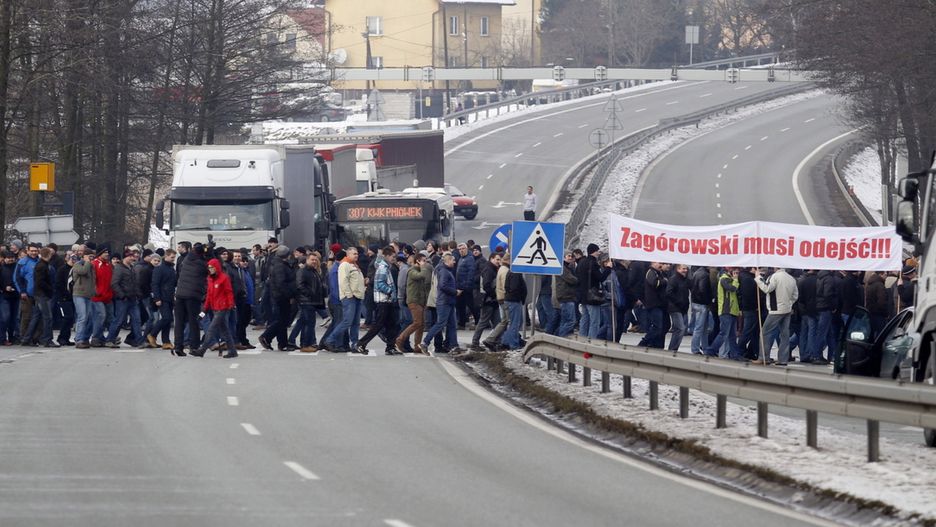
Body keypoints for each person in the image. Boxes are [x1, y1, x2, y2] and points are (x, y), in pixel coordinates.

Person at [190, 258, 238, 358]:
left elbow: (229, 292)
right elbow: (209, 296)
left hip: (222, 307)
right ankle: (232, 351)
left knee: (211, 329)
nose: (210, 269)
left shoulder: (224, 278)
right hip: (214, 307)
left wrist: (231, 304)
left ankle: (202, 350)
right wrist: (203, 311)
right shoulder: (210, 279)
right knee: (225, 330)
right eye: (209, 267)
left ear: (216, 267)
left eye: (212, 267)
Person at [357, 246, 400, 355]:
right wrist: (390, 291)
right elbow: (380, 284)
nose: (394, 258)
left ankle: (390, 347)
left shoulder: (385, 266)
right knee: (378, 325)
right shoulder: (383, 268)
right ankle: (361, 344)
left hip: (387, 300)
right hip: (383, 300)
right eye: (392, 256)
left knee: (391, 325)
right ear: (387, 256)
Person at [755, 268, 798, 366]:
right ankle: (783, 359)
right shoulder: (791, 278)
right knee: (784, 335)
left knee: (765, 333)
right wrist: (789, 303)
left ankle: (763, 357)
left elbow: (767, 289)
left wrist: (758, 278)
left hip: (775, 309)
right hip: (787, 309)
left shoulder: (774, 277)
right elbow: (795, 295)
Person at [326, 247, 365, 353]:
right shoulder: (344, 265)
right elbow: (343, 281)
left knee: (355, 323)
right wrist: (349, 295)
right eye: (354, 254)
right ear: (348, 255)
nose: (356, 255)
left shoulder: (354, 265)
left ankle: (354, 344)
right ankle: (330, 340)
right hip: (350, 298)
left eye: (357, 253)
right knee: (347, 321)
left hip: (358, 297)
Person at [259, 245, 296, 351]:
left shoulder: (278, 263)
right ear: (287, 255)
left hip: (279, 295)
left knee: (282, 320)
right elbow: (281, 283)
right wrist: (289, 295)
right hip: (281, 296)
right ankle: (267, 336)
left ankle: (282, 343)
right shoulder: (280, 266)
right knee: (282, 320)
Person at [173, 243, 207, 357]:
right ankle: (194, 347)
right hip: (193, 295)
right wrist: (210, 251)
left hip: (180, 294)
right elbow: (212, 266)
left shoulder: (187, 259)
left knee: (179, 322)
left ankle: (178, 346)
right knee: (194, 322)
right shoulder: (202, 263)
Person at [421, 253, 458, 355]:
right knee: (440, 323)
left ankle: (453, 345)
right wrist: (455, 291)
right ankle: (425, 342)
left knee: (452, 325)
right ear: (448, 261)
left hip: (448, 301)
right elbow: (442, 285)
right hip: (444, 302)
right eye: (453, 260)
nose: (454, 262)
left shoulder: (445, 270)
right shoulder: (444, 271)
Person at [106, 250, 144, 348]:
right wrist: (122, 295)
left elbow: (135, 283)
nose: (132, 258)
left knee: (137, 320)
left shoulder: (131, 268)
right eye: (130, 256)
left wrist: (138, 294)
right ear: (125, 257)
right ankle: (110, 339)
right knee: (118, 320)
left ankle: (139, 341)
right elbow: (114, 283)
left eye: (133, 256)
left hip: (133, 298)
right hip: (123, 299)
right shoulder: (119, 268)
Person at [397, 252, 431, 354]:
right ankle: (400, 339)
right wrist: (423, 267)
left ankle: (417, 346)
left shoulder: (420, 270)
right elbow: (420, 276)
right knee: (417, 322)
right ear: (418, 261)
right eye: (423, 261)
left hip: (420, 301)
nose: (425, 263)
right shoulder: (412, 270)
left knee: (421, 324)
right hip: (414, 300)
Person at [707, 267, 742, 360]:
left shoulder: (730, 279)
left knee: (732, 335)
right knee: (724, 333)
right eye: (735, 272)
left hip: (732, 311)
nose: (737, 274)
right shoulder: (724, 279)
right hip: (726, 310)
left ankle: (734, 354)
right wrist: (735, 280)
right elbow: (732, 289)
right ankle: (710, 350)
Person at [25, 247, 56, 347]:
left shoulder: (41, 264)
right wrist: (50, 289)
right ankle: (47, 339)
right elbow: (40, 282)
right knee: (48, 317)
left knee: (36, 316)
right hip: (42, 295)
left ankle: (27, 338)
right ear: (49, 255)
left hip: (39, 294)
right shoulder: (42, 266)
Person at [470, 252, 501, 350]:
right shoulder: (488, 269)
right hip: (488, 300)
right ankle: (475, 343)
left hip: (492, 300)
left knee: (498, 323)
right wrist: (493, 295)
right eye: (497, 259)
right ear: (491, 259)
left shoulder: (493, 268)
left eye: (500, 260)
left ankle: (496, 342)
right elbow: (486, 285)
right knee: (483, 322)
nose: (499, 262)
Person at [148, 249, 176, 350]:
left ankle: (166, 341)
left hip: (170, 297)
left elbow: (173, 283)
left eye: (174, 257)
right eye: (172, 257)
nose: (173, 259)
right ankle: (152, 334)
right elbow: (155, 284)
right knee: (167, 318)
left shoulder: (172, 269)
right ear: (166, 256)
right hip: (162, 297)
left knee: (168, 320)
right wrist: (157, 298)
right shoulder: (159, 269)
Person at [14, 244, 40, 344]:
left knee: (38, 317)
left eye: (35, 251)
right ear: (27, 251)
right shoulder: (22, 262)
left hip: (39, 294)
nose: (34, 253)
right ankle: (24, 337)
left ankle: (35, 338)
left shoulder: (40, 261)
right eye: (32, 251)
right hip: (27, 294)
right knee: (26, 316)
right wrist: (22, 291)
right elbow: (17, 278)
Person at [638, 262, 667, 348]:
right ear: (652, 263)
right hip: (654, 304)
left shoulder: (659, 273)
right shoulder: (651, 272)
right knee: (657, 326)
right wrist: (664, 281)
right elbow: (655, 283)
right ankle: (644, 342)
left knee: (662, 326)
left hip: (660, 304)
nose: (661, 265)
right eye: (659, 263)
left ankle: (656, 344)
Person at [71, 252, 96, 348]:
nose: (91, 258)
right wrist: (87, 261)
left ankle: (84, 338)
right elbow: (83, 271)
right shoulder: (78, 264)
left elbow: (93, 279)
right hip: (79, 294)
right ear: (84, 256)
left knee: (89, 317)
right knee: (82, 317)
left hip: (88, 295)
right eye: (89, 256)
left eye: (92, 256)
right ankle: (79, 340)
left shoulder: (91, 266)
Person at [90, 246, 114, 347]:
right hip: (97, 296)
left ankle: (104, 337)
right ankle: (95, 337)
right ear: (100, 253)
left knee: (109, 318)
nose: (107, 254)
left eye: (108, 252)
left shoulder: (108, 265)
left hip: (108, 295)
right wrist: (95, 291)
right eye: (105, 252)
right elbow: (92, 279)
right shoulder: (94, 264)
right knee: (101, 316)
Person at [502, 258, 528, 350]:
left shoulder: (513, 271)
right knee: (515, 323)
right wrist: (520, 296)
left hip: (512, 300)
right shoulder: (515, 272)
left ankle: (506, 341)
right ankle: (513, 345)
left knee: (516, 322)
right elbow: (514, 287)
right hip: (514, 301)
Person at [54, 252, 77, 346]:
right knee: (67, 317)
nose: (73, 260)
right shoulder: (62, 269)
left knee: (70, 318)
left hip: (73, 297)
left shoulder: (76, 269)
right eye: (71, 258)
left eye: (75, 258)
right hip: (63, 297)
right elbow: (58, 284)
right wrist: (64, 294)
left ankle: (66, 338)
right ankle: (61, 337)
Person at [666, 264, 690, 351]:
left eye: (686, 269)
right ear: (678, 269)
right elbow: (669, 292)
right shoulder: (673, 279)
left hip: (682, 308)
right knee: (681, 328)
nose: (685, 270)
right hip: (675, 307)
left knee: (678, 329)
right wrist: (678, 301)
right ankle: (673, 348)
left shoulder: (685, 280)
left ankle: (673, 348)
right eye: (683, 269)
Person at [689, 266, 713, 354]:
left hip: (696, 302)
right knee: (701, 328)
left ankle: (704, 348)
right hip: (702, 303)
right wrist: (709, 301)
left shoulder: (697, 273)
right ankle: (696, 349)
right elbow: (703, 289)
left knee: (701, 328)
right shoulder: (705, 275)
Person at [555, 253, 579, 337]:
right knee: (571, 321)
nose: (570, 258)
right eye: (568, 256)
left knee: (564, 321)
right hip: (566, 296)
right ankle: (559, 337)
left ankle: (557, 337)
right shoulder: (563, 268)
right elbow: (572, 279)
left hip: (566, 296)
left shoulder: (568, 267)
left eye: (571, 256)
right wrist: (577, 279)